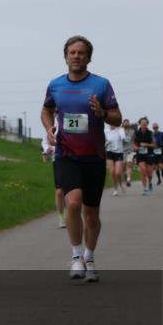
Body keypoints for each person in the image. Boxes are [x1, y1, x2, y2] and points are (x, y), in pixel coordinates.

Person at [41, 35, 121, 283]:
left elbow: (117, 118)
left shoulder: (101, 85)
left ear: (89, 57)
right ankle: (76, 256)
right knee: (73, 203)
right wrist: (48, 128)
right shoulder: (55, 85)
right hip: (66, 155)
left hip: (94, 157)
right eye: (72, 52)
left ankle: (90, 256)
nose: (76, 56)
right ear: (66, 56)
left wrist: (102, 112)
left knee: (92, 214)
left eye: (81, 53)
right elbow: (46, 109)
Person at [41, 127, 66, 228]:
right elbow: (45, 141)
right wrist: (46, 150)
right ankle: (61, 217)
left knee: (74, 190)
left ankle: (74, 212)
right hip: (58, 159)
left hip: (73, 158)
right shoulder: (52, 125)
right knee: (59, 191)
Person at [133, 117, 155, 195]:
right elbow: (133, 143)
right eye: (142, 123)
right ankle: (145, 188)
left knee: (149, 174)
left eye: (145, 123)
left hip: (149, 154)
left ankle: (150, 182)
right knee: (143, 171)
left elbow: (154, 145)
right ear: (140, 124)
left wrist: (146, 145)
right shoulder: (136, 133)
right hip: (140, 154)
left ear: (147, 124)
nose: (144, 124)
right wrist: (135, 147)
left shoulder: (150, 133)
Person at [104, 123, 126, 196]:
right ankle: (115, 189)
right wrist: (106, 144)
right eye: (111, 122)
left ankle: (121, 184)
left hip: (118, 152)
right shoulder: (106, 131)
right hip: (109, 152)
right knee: (112, 172)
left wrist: (123, 139)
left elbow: (123, 139)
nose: (112, 124)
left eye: (114, 122)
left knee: (118, 172)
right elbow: (103, 141)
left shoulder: (120, 130)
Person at [121, 118, 135, 187]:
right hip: (122, 151)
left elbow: (134, 140)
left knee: (129, 164)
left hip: (130, 151)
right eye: (125, 122)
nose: (126, 123)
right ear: (123, 124)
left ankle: (128, 180)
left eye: (127, 122)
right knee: (123, 166)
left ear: (129, 124)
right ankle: (125, 175)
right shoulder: (120, 131)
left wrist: (134, 146)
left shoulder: (132, 131)